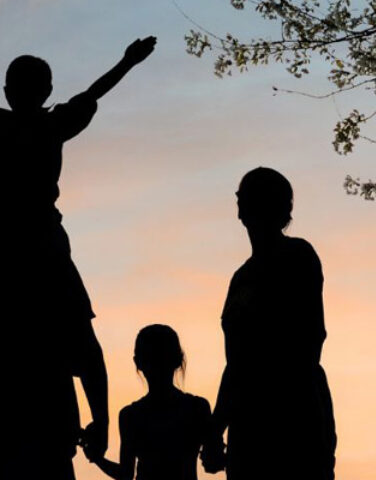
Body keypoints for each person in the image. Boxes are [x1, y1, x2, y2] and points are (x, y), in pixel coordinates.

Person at [0, 37, 156, 479]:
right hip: (41, 246)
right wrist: (102, 419)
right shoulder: (50, 126)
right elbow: (93, 92)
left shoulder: (23, 128)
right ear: (45, 92)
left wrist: (126, 62)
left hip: (31, 247)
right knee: (77, 333)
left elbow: (92, 94)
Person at [202, 167, 337, 479]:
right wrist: (215, 429)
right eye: (244, 197)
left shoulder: (298, 255)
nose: (244, 204)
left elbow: (309, 339)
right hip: (248, 427)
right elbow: (234, 363)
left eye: (253, 197)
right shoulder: (240, 278)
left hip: (295, 419)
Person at [85, 324, 212, 480]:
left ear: (138, 362)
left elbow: (125, 474)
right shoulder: (197, 408)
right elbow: (212, 463)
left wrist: (97, 458)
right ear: (178, 360)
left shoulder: (130, 415)